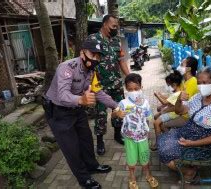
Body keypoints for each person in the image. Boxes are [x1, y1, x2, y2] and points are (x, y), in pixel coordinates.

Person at [43, 39, 124, 189]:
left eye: (98, 56)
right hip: (59, 112)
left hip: (77, 110)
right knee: (71, 148)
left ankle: (92, 166)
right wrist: (81, 99)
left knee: (86, 140)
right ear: (82, 53)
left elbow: (97, 92)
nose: (95, 59)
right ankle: (84, 178)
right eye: (92, 54)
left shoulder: (91, 71)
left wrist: (117, 106)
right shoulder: (67, 68)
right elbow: (62, 95)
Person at [157, 66, 211, 182]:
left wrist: (192, 143)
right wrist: (178, 100)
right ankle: (189, 168)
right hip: (187, 134)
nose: (201, 86)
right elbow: (180, 111)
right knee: (161, 141)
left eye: (204, 83)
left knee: (165, 151)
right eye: (199, 83)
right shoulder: (199, 97)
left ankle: (189, 172)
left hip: (203, 145)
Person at [87, 14, 130, 155]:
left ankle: (117, 134)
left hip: (116, 83)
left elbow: (121, 61)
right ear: (105, 24)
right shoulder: (93, 39)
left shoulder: (116, 41)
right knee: (100, 114)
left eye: (116, 26)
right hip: (100, 86)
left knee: (118, 110)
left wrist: (130, 77)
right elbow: (88, 63)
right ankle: (99, 140)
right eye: (113, 26)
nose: (115, 28)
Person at [117, 73, 159, 189]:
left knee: (145, 157)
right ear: (126, 89)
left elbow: (149, 117)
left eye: (136, 88)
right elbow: (115, 113)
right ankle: (132, 177)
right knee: (131, 159)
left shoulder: (145, 103)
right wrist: (117, 113)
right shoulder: (123, 103)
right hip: (129, 137)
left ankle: (148, 175)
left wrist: (150, 126)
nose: (133, 91)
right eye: (130, 89)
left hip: (143, 137)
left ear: (141, 87)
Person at [156, 56, 199, 130]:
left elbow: (183, 104)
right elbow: (175, 98)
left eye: (182, 65)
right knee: (159, 111)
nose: (179, 66)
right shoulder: (183, 81)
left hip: (186, 115)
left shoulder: (193, 82)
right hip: (180, 111)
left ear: (188, 69)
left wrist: (166, 109)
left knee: (162, 124)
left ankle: (167, 140)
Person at [150, 70, 184, 151]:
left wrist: (157, 96)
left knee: (156, 123)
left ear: (174, 85)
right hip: (172, 111)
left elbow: (165, 102)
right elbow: (169, 99)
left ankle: (159, 143)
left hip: (174, 113)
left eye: (169, 85)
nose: (168, 87)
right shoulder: (177, 91)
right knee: (157, 120)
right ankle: (164, 137)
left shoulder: (177, 93)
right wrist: (161, 95)